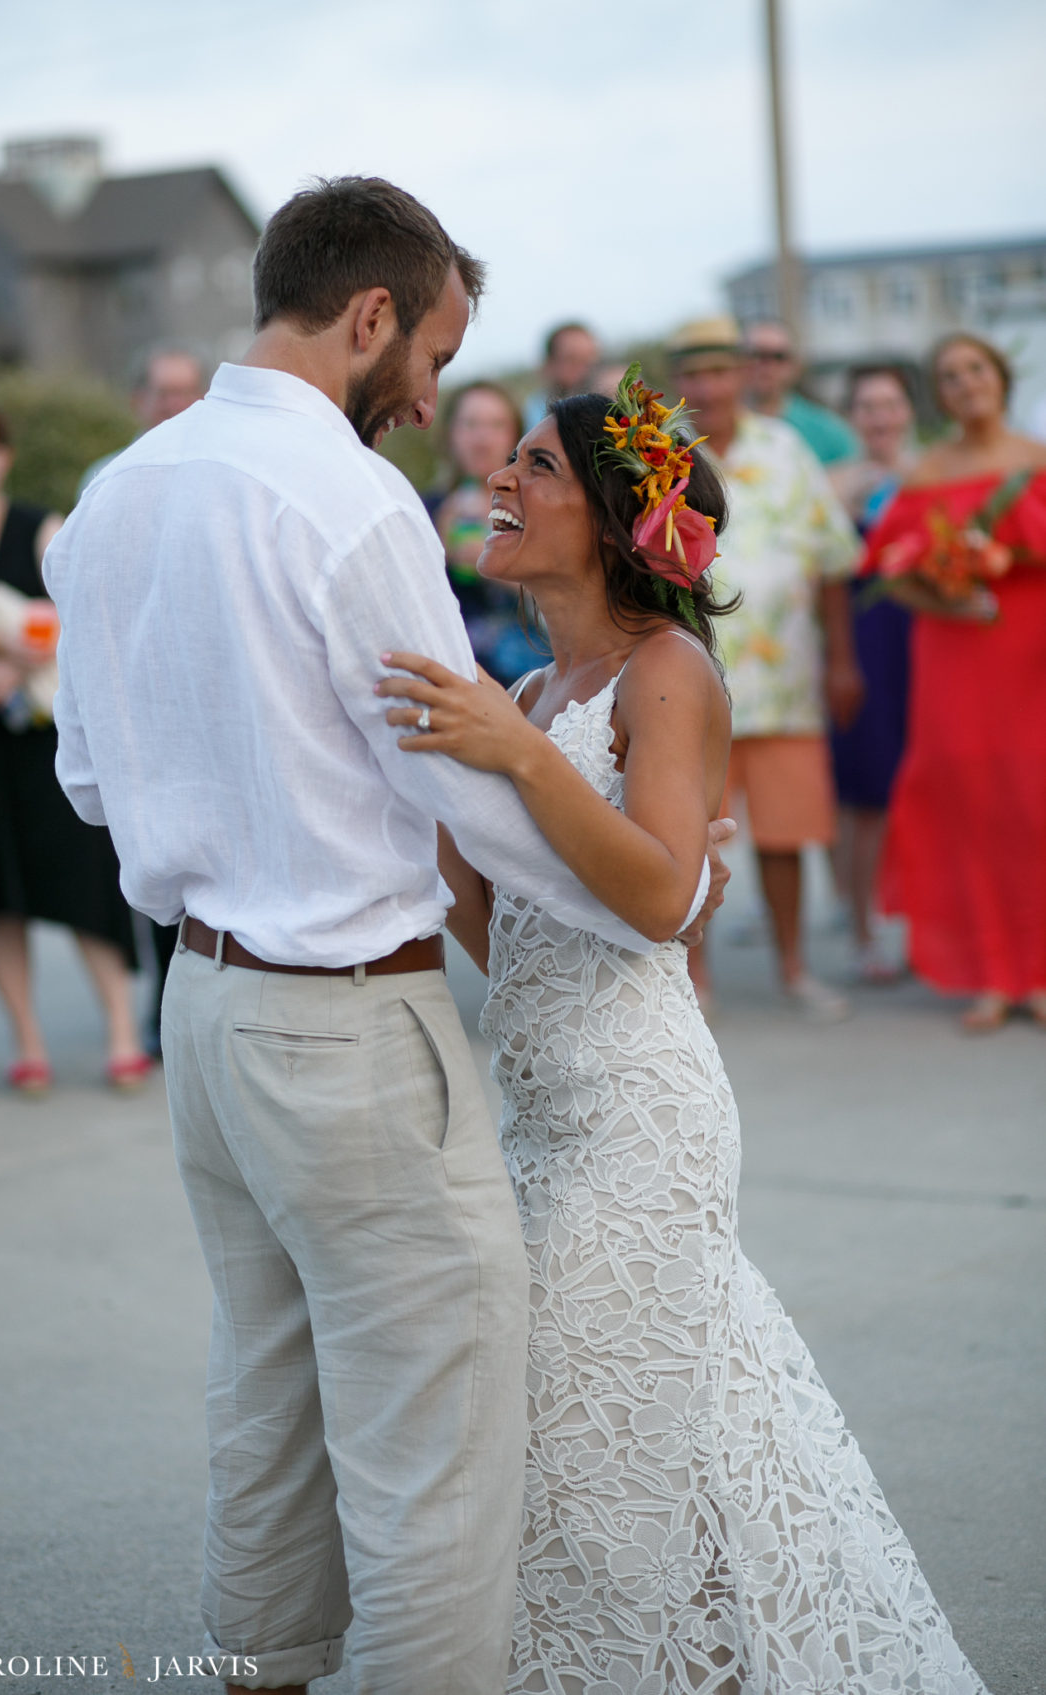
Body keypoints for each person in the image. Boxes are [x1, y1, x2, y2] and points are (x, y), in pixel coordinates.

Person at [42, 176, 732, 1695]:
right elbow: (463, 788)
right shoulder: (343, 501)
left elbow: (87, 776)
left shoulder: (113, 494)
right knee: (438, 1428)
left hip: (206, 1015)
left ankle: (265, 1665)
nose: (432, 400)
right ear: (367, 317)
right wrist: (654, 904)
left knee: (264, 1381)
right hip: (349, 1021)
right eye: (427, 356)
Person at [379, 372, 990, 1693]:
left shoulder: (668, 673)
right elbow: (515, 932)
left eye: (532, 465)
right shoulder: (532, 686)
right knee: (644, 1421)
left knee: (601, 1444)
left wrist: (513, 758)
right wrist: (435, 796)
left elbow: (657, 897)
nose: (497, 480)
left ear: (608, 519)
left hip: (638, 1111)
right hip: (536, 1109)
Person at [0, 402, 144, 1090]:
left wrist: (13, 661)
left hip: (43, 742)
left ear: (5, 457)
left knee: (81, 874)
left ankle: (121, 1031)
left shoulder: (39, 525)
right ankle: (28, 1041)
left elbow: (82, 606)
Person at [668, 316, 864, 1019]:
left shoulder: (786, 448)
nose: (708, 385)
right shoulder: (657, 456)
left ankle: (793, 966)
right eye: (694, 373)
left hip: (784, 684)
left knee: (787, 834)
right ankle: (693, 979)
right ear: (678, 383)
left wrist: (843, 658)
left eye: (720, 371)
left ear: (743, 376)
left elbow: (834, 559)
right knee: (687, 835)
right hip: (687, 686)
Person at [864, 333, 1046, 1031]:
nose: (966, 382)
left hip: (1031, 658)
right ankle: (991, 973)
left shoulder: (1037, 461)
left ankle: (1037, 970)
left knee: (1033, 803)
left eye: (975, 369)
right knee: (968, 803)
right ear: (936, 395)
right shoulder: (926, 474)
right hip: (955, 657)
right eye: (949, 376)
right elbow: (893, 575)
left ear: (999, 376)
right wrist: (954, 600)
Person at [77, 345, 209, 1055]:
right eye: (162, 392)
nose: (175, 404)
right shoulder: (105, 483)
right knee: (156, 857)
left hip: (208, 693)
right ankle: (167, 1006)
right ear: (140, 401)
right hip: (143, 697)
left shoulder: (221, 478)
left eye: (187, 390)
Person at [828, 365, 917, 981]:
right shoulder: (831, 487)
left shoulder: (934, 475)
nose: (880, 416)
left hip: (929, 643)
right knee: (865, 799)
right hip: (864, 647)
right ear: (852, 417)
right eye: (867, 405)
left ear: (908, 411)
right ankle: (865, 929)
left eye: (890, 404)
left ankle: (928, 929)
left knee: (925, 793)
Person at [424, 381, 540, 683]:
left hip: (529, 675)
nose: (482, 439)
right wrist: (434, 550)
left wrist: (493, 567)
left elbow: (566, 603)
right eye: (470, 424)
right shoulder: (425, 509)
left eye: (497, 425)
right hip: (454, 675)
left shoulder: (540, 509)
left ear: (518, 436)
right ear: (450, 434)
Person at [77, 345, 208, 497]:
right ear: (137, 399)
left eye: (186, 393)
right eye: (164, 394)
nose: (176, 405)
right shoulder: (105, 475)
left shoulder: (222, 467)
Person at [743, 318, 860, 465]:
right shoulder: (718, 427)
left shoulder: (829, 432)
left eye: (778, 357)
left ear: (795, 365)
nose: (767, 366)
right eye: (757, 355)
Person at [522, 321, 602, 429]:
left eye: (590, 360)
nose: (585, 369)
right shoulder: (532, 417)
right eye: (572, 359)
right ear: (548, 365)